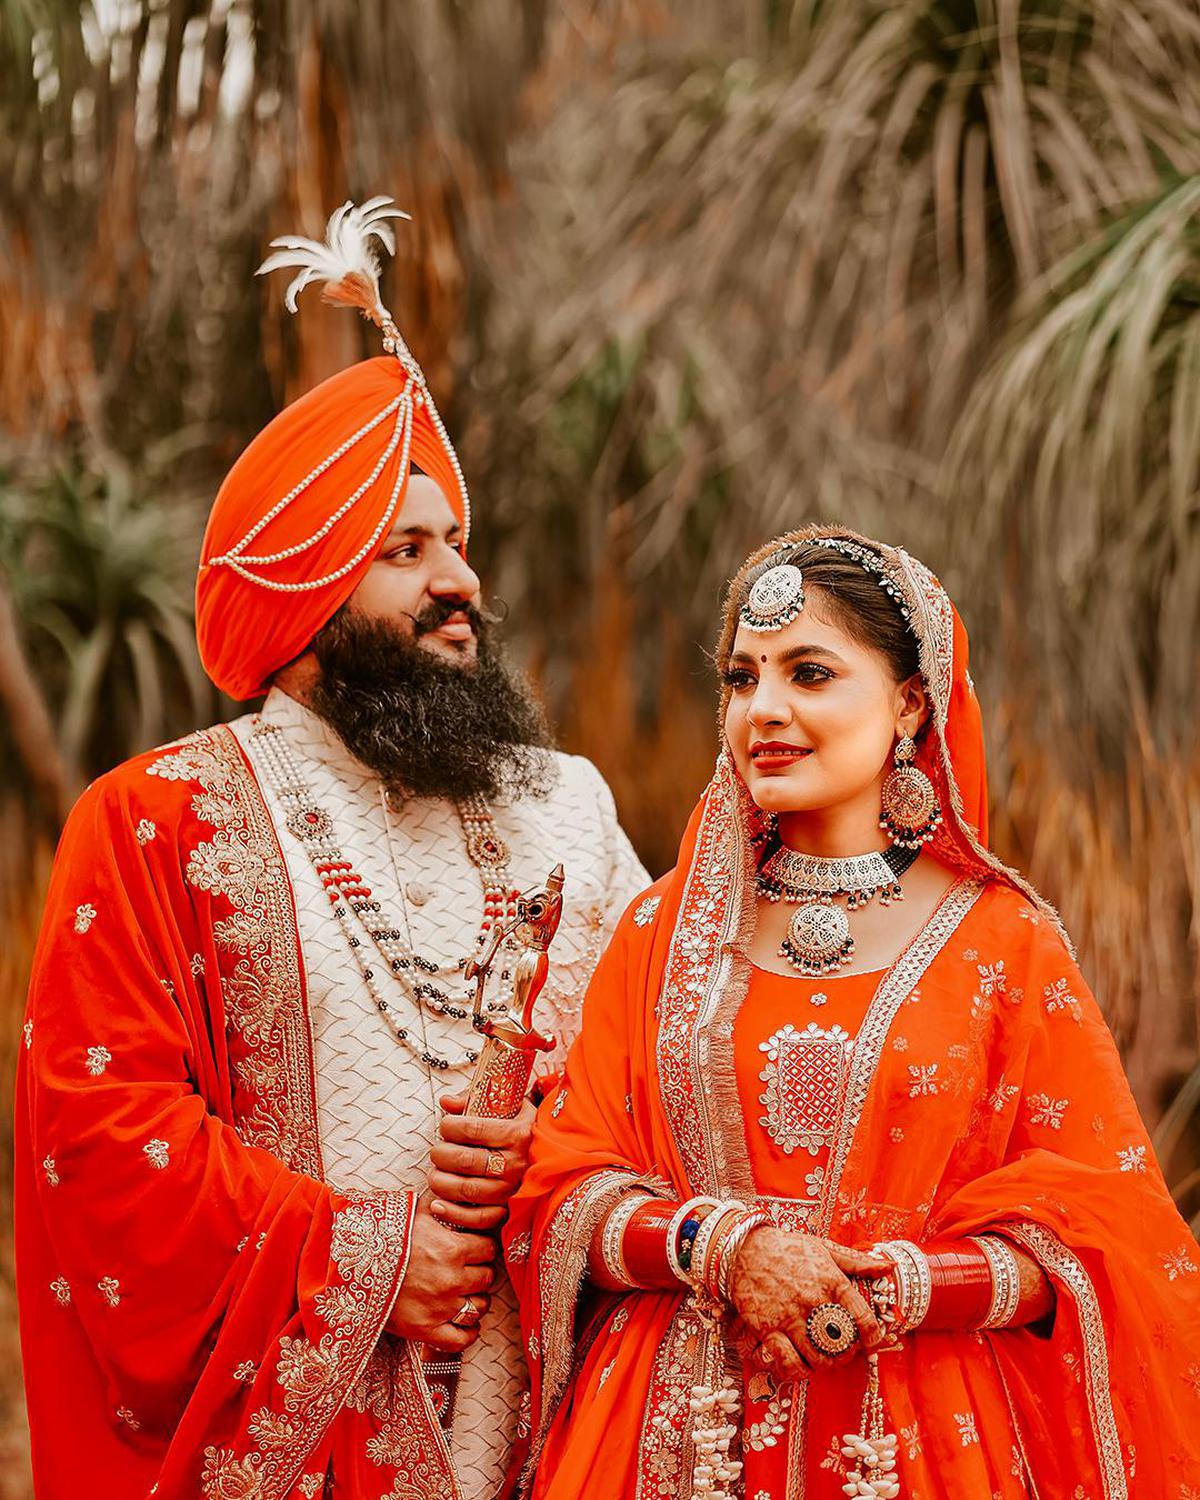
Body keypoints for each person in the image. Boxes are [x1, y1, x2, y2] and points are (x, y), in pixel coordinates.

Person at [14, 198, 647, 1500]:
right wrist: (359, 1257)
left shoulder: (571, 806)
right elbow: (98, 1138)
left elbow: (668, 1047)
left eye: (456, 544)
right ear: (301, 598)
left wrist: (558, 1143)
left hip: (561, 1425)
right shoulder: (157, 822)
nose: (459, 580)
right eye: (405, 551)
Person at [505, 526, 1200, 1498]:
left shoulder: (1004, 945)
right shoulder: (664, 930)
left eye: (811, 673)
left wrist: (909, 1286)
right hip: (677, 1434)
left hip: (916, 1431)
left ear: (911, 702)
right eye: (742, 678)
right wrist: (726, 1249)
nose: (765, 711)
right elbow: (562, 1192)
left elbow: (1103, 1236)